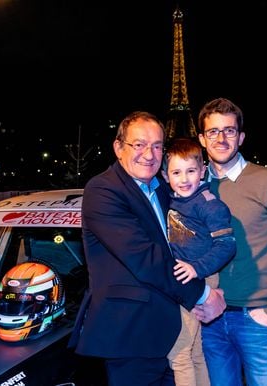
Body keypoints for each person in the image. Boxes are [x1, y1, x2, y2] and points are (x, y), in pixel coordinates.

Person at [68, 111, 227, 386]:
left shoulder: (164, 189)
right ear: (118, 148)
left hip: (171, 327)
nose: (149, 154)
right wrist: (202, 295)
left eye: (156, 145)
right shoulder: (103, 190)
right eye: (138, 144)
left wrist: (209, 282)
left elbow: (190, 241)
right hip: (132, 335)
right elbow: (146, 259)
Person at [195, 97, 267, 386]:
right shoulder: (192, 185)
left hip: (256, 319)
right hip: (208, 318)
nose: (221, 138)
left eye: (229, 131)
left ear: (241, 137)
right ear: (201, 138)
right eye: (213, 131)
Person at [161, 137, 237, 386]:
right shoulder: (172, 201)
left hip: (199, 276)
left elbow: (227, 246)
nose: (184, 179)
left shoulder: (210, 205)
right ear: (166, 175)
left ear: (203, 171)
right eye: (176, 172)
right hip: (185, 277)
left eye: (191, 171)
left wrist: (196, 269)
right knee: (194, 352)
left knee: (180, 353)